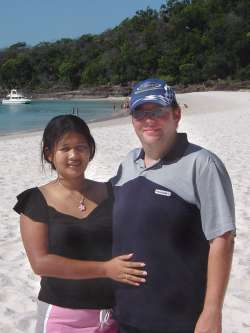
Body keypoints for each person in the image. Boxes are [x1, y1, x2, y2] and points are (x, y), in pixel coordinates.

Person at [111, 78, 236, 333]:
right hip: (124, 314)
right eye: (140, 113)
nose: (149, 120)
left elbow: (222, 239)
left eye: (158, 111)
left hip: (179, 319)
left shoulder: (202, 164)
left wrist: (212, 312)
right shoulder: (128, 163)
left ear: (176, 115)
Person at [14, 115, 147, 333]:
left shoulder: (111, 192)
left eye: (81, 147)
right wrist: (105, 269)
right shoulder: (36, 201)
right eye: (64, 148)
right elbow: (40, 263)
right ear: (49, 154)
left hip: (115, 314)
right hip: (62, 316)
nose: (74, 155)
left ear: (90, 151)